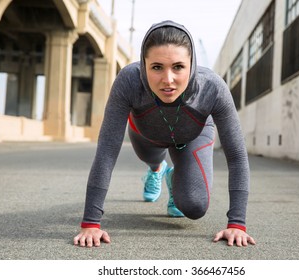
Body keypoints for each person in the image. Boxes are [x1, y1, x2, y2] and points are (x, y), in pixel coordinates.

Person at [73, 20, 256, 248]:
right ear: (144, 65)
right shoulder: (129, 81)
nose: (168, 80)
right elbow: (107, 150)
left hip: (192, 136)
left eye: (178, 67)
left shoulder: (212, 88)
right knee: (151, 158)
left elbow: (237, 156)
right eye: (157, 67)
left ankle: (174, 177)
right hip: (147, 135)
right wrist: (91, 223)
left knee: (194, 207)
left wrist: (237, 224)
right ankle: (156, 170)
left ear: (191, 65)